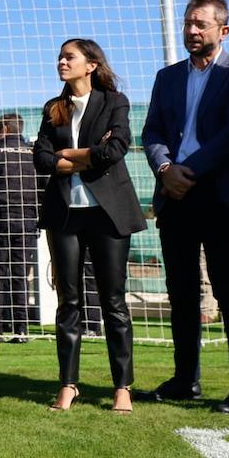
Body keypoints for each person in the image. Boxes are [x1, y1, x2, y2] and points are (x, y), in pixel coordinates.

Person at [140, 0, 229, 414]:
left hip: (218, 194)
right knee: (182, 292)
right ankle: (184, 380)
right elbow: (152, 131)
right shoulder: (167, 76)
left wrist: (187, 170)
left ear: (223, 30)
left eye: (201, 24)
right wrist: (164, 169)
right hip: (174, 194)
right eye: (188, 23)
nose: (191, 31)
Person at [33, 39, 146, 414]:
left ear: (91, 65)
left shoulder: (115, 102)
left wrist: (70, 156)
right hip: (65, 215)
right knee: (69, 303)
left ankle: (122, 387)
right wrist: (86, 157)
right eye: (60, 56)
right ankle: (68, 384)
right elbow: (42, 160)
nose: (61, 61)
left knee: (113, 302)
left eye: (70, 57)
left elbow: (116, 151)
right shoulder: (54, 108)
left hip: (108, 215)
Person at [0, 111, 40, 340]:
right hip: (27, 219)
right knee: (20, 273)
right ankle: (21, 327)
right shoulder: (33, 153)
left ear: (5, 129)